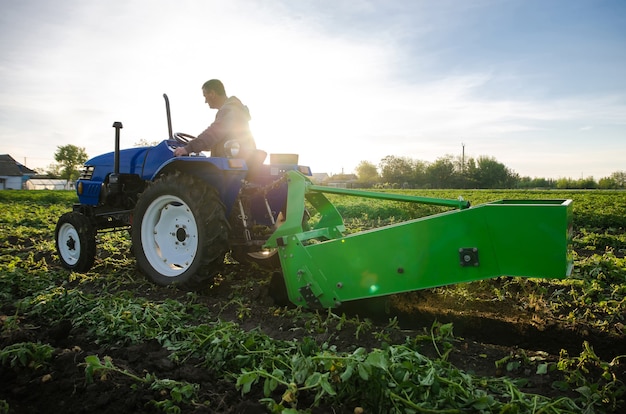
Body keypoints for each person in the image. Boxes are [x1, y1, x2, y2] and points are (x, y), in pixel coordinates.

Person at [174, 79, 256, 161]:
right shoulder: (234, 110)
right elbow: (217, 139)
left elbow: (214, 133)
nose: (205, 101)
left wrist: (188, 148)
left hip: (232, 164)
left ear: (212, 94)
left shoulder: (230, 110)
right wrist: (201, 146)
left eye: (205, 96)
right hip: (237, 159)